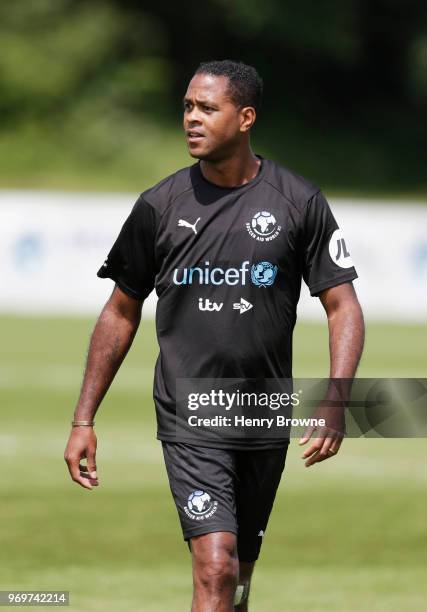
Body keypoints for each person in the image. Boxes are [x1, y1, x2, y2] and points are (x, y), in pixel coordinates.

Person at [64, 60, 365, 611]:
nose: (191, 119)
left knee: (240, 579)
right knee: (217, 563)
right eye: (187, 107)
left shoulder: (298, 202)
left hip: (261, 412)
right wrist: (84, 417)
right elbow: (120, 310)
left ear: (246, 117)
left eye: (207, 108)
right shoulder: (160, 205)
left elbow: (343, 306)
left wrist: (337, 398)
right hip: (191, 414)